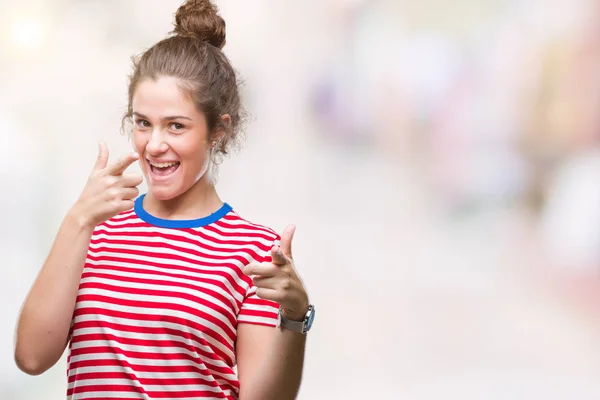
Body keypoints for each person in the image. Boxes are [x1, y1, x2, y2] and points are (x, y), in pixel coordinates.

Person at [13, 1, 315, 399]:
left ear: (217, 131)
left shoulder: (255, 252)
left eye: (176, 126)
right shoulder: (94, 229)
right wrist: (77, 221)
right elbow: (32, 358)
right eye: (142, 123)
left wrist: (294, 318)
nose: (154, 145)